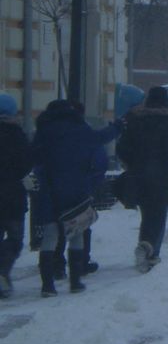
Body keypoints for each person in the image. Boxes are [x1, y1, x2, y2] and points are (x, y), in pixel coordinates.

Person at [31, 100, 121, 296]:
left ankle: (47, 285)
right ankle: (75, 281)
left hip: (48, 189)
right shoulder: (79, 130)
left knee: (50, 235)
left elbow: (33, 157)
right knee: (76, 232)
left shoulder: (43, 131)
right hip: (76, 190)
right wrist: (117, 127)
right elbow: (101, 138)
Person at [116, 86, 168, 273]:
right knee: (158, 214)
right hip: (163, 175)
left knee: (146, 213)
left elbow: (122, 147)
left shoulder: (133, 118)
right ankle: (150, 250)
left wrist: (129, 164)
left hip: (138, 173)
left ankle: (146, 249)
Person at [0, 94, 32, 298]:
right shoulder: (17, 135)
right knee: (15, 238)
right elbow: (25, 165)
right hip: (12, 197)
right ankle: (2, 271)